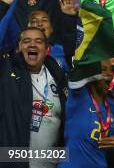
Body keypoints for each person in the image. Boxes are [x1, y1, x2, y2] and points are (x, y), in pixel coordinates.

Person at [0, 26, 67, 168]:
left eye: (38, 41)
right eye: (26, 41)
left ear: (46, 48)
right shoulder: (6, 71)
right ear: (19, 47)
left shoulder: (57, 75)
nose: (32, 44)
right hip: (14, 162)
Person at [60, 60, 114, 168]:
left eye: (111, 70)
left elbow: (113, 142)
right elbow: (78, 69)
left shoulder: (112, 105)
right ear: (91, 74)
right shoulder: (79, 95)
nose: (110, 74)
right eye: (103, 70)